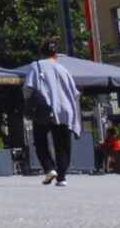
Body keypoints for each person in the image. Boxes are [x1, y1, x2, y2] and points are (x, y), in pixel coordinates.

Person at [23, 41, 81, 187]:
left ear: (41, 53)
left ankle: (49, 168)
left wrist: (28, 108)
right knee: (62, 144)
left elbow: (29, 88)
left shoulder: (36, 66)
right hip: (65, 110)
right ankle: (62, 177)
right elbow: (74, 92)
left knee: (40, 141)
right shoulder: (63, 69)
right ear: (56, 55)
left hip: (44, 109)